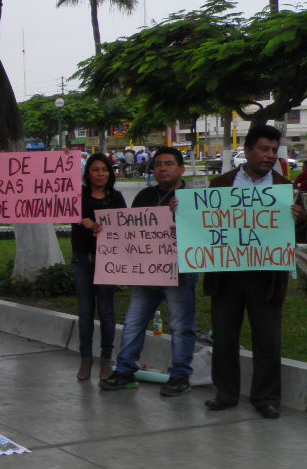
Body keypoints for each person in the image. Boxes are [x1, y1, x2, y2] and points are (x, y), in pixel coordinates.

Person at [204, 125, 307, 418]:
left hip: (267, 276)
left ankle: (266, 397)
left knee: (268, 339)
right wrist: (183, 213)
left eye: (274, 150)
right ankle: (226, 394)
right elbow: (205, 224)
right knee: (224, 337)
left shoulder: (285, 188)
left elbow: (299, 233)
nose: (270, 155)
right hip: (227, 274)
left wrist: (300, 219)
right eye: (264, 149)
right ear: (247, 151)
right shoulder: (221, 184)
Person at [101, 147, 198, 396]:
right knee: (133, 322)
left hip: (179, 273)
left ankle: (180, 377)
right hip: (145, 273)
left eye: (168, 163)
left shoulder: (193, 198)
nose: (162, 168)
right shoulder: (144, 195)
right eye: (158, 165)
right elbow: (131, 232)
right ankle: (124, 371)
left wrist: (184, 216)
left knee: (180, 326)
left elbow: (201, 234)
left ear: (181, 169)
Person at [69, 153, 126, 381]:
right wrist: (82, 222)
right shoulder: (77, 197)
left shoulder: (116, 198)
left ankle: (105, 359)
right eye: (95, 169)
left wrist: (103, 226)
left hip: (107, 261)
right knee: (85, 312)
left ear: (110, 173)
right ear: (88, 173)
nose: (100, 174)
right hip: (82, 260)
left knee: (106, 311)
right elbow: (64, 213)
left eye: (104, 169)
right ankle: (85, 359)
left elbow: (124, 227)